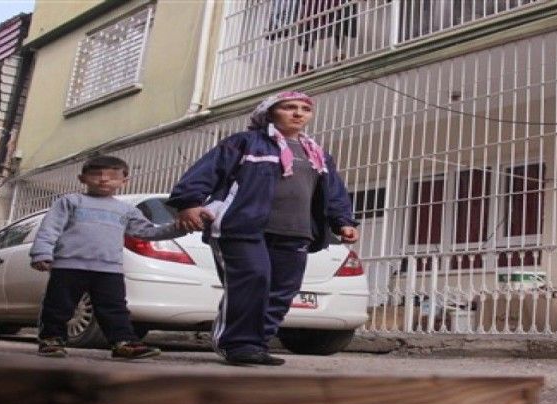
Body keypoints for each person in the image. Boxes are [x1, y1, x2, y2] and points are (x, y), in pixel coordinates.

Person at [167, 91, 359, 366]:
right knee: (252, 280)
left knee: (283, 290)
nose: (298, 113)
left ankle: (256, 345)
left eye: (305, 109)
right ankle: (236, 344)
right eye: (289, 107)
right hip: (243, 227)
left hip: (296, 231)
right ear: (270, 113)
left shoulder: (317, 154)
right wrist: (189, 202)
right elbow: (208, 170)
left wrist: (343, 222)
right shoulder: (245, 142)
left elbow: (334, 192)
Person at [30, 155, 185, 359]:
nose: (104, 179)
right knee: (58, 305)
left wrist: (179, 228)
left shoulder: (126, 210)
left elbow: (147, 231)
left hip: (109, 269)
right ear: (82, 179)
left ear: (124, 181)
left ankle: (124, 343)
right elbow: (50, 228)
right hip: (68, 266)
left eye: (112, 176)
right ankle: (51, 340)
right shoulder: (70, 202)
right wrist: (42, 252)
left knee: (114, 308)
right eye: (96, 174)